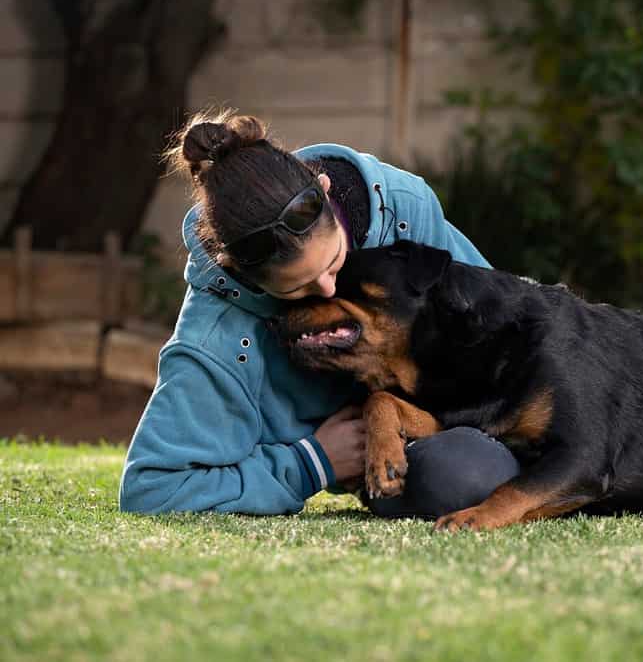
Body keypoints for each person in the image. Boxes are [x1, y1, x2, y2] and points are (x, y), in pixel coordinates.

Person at [118, 110, 519, 516]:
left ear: (325, 189)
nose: (328, 290)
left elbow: (505, 327)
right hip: (422, 454)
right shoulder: (215, 336)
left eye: (335, 263)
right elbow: (152, 489)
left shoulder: (403, 214)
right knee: (460, 477)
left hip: (482, 410)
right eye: (299, 289)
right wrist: (312, 462)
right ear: (240, 271)